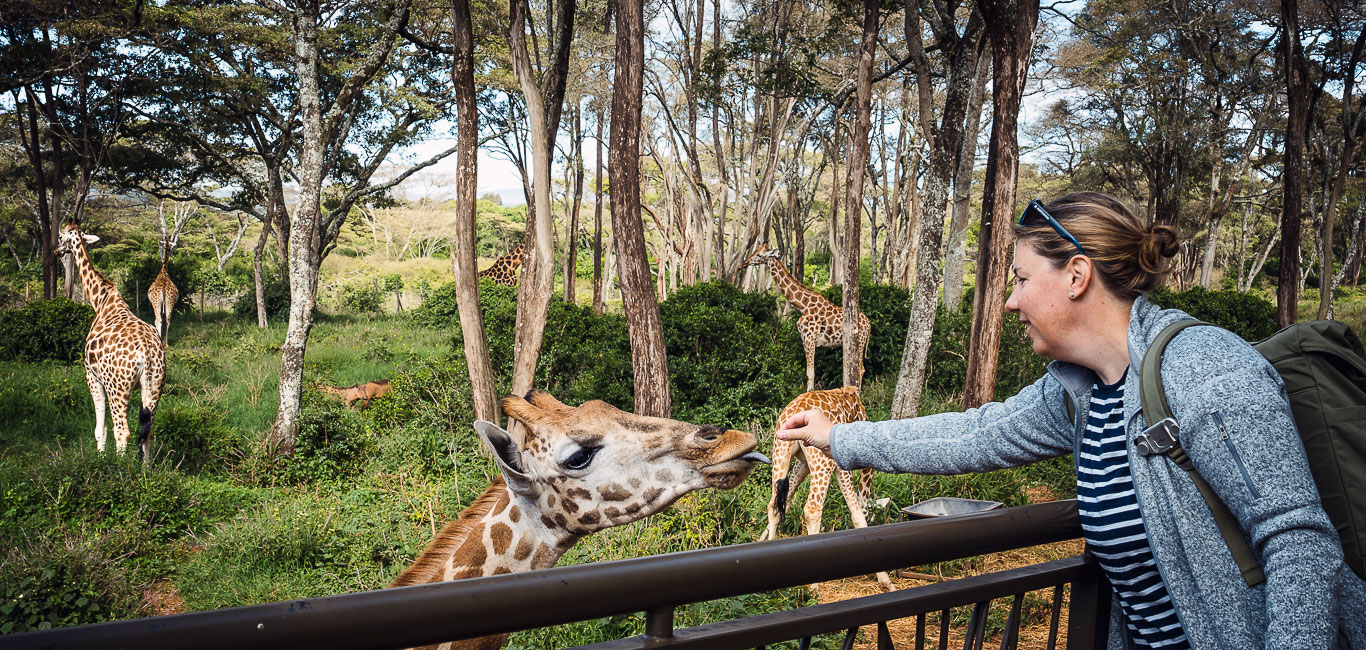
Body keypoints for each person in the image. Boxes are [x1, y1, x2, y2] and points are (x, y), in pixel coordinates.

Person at [777, 192, 1366, 650]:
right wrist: (840, 437)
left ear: (1077, 277)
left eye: (1023, 280)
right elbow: (976, 432)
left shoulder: (1205, 368)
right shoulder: (1080, 390)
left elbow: (1299, 544)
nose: (1010, 301)